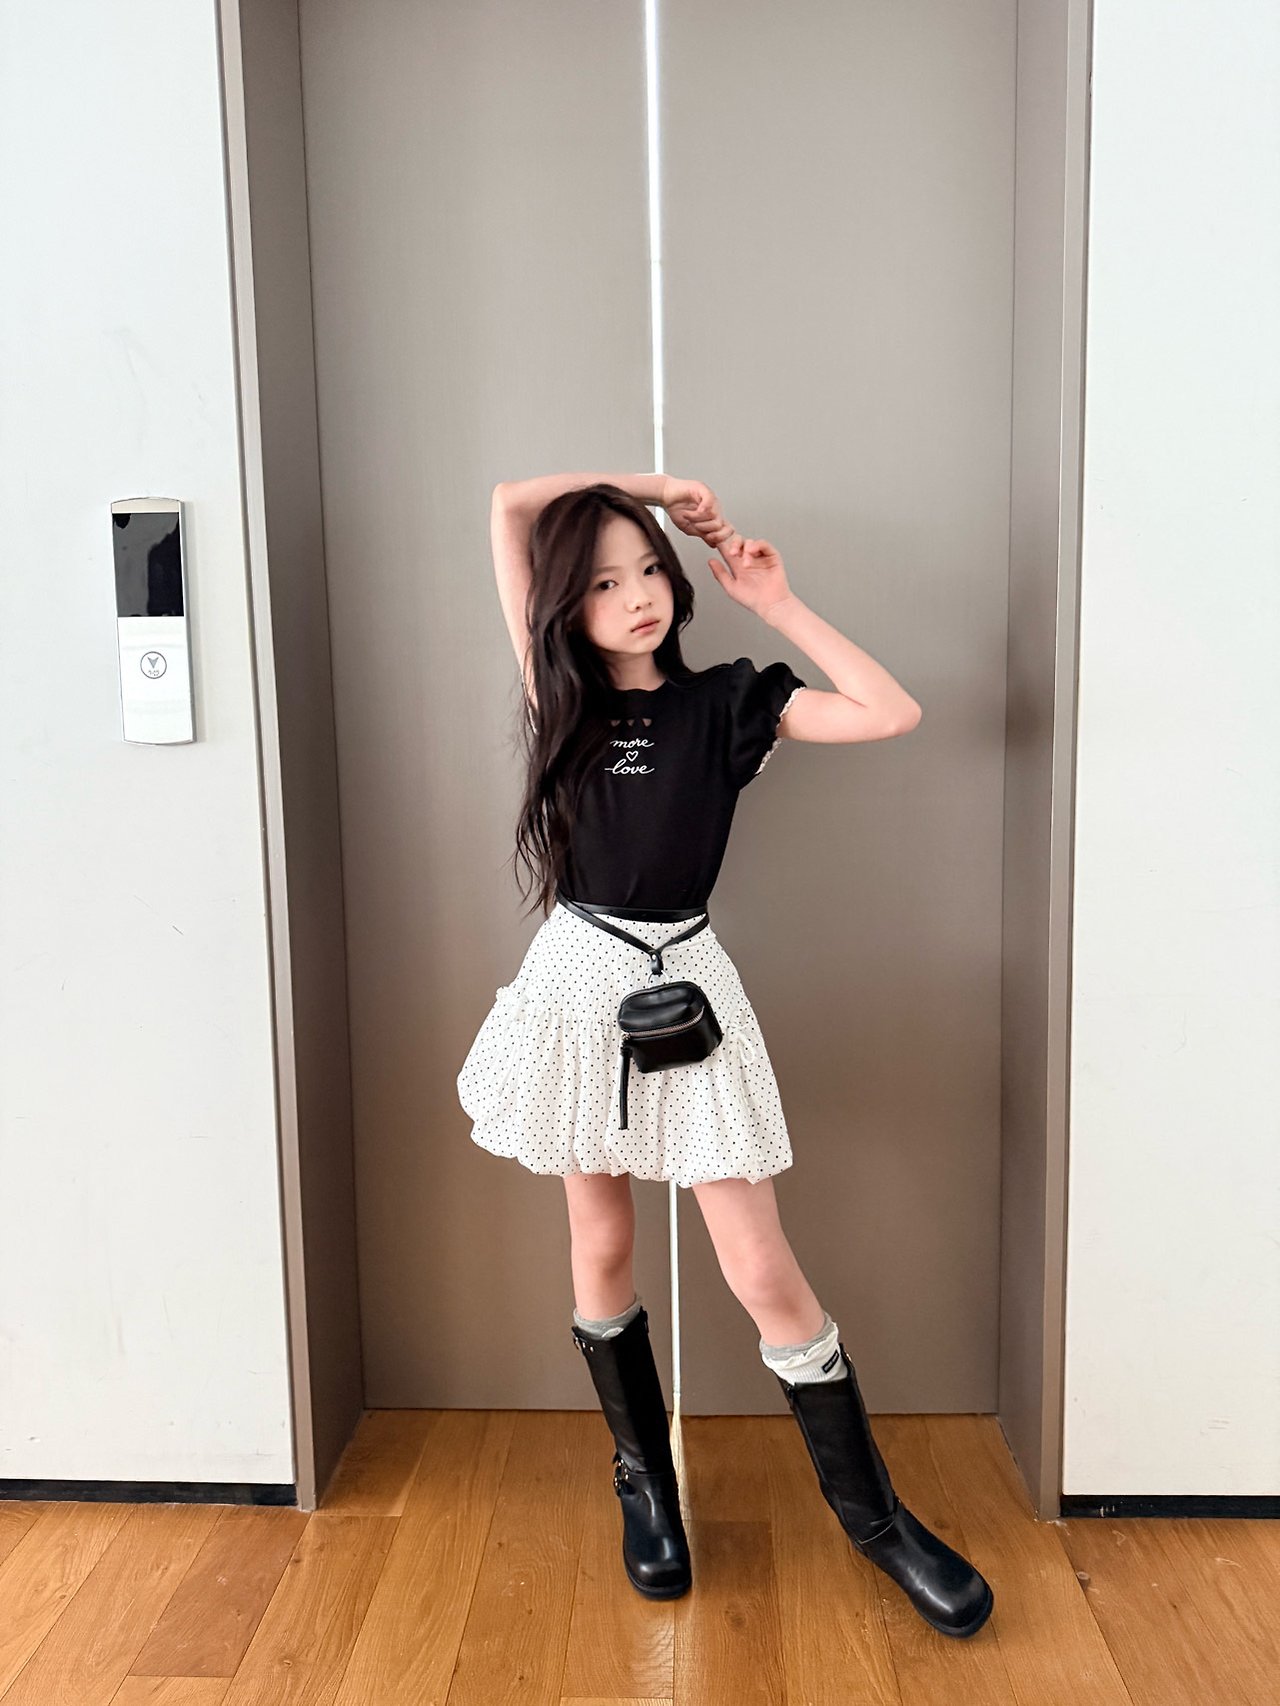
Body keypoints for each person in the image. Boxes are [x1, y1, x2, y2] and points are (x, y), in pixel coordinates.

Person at [456, 472, 994, 1639]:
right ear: (564, 605)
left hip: (684, 984)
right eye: (603, 581)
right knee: (600, 1239)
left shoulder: (729, 701)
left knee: (756, 1264)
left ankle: (876, 1522)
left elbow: (889, 710)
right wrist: (647, 487)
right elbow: (506, 505)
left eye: (648, 567)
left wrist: (777, 602)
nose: (636, 595)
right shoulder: (557, 694)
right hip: (577, 982)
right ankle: (646, 1486)